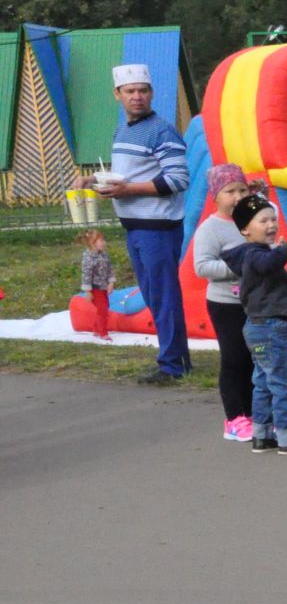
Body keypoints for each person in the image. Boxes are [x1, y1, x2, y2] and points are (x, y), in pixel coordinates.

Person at [95, 63, 190, 384]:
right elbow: (129, 175)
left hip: (159, 228)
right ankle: (175, 358)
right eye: (130, 91)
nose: (137, 97)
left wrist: (127, 190)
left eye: (143, 91)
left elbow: (178, 179)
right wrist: (95, 180)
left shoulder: (162, 130)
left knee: (163, 295)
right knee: (153, 295)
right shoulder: (122, 131)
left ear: (151, 93)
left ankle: (173, 365)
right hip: (135, 226)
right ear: (117, 95)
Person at [222, 193, 287, 454]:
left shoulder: (250, 254)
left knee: (262, 382)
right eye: (263, 221)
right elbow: (267, 263)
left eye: (273, 219)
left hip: (256, 327)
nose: (271, 225)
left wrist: (281, 249)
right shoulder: (255, 254)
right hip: (272, 328)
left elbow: (268, 264)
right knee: (283, 384)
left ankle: (262, 434)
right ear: (245, 230)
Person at [192, 165, 258, 441]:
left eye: (242, 190)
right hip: (225, 304)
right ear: (215, 197)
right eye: (229, 191)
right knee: (234, 359)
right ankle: (234, 418)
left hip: (254, 302)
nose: (237, 196)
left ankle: (255, 413)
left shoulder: (252, 221)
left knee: (255, 359)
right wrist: (240, 267)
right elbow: (202, 267)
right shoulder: (211, 228)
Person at [77, 229, 114, 341]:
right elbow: (86, 275)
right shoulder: (88, 258)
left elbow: (109, 269)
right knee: (102, 309)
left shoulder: (104, 255)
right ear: (93, 243)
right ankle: (103, 332)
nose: (104, 242)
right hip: (95, 288)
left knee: (104, 307)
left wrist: (111, 282)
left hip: (103, 287)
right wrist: (88, 291)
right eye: (101, 240)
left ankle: (96, 328)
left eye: (104, 240)